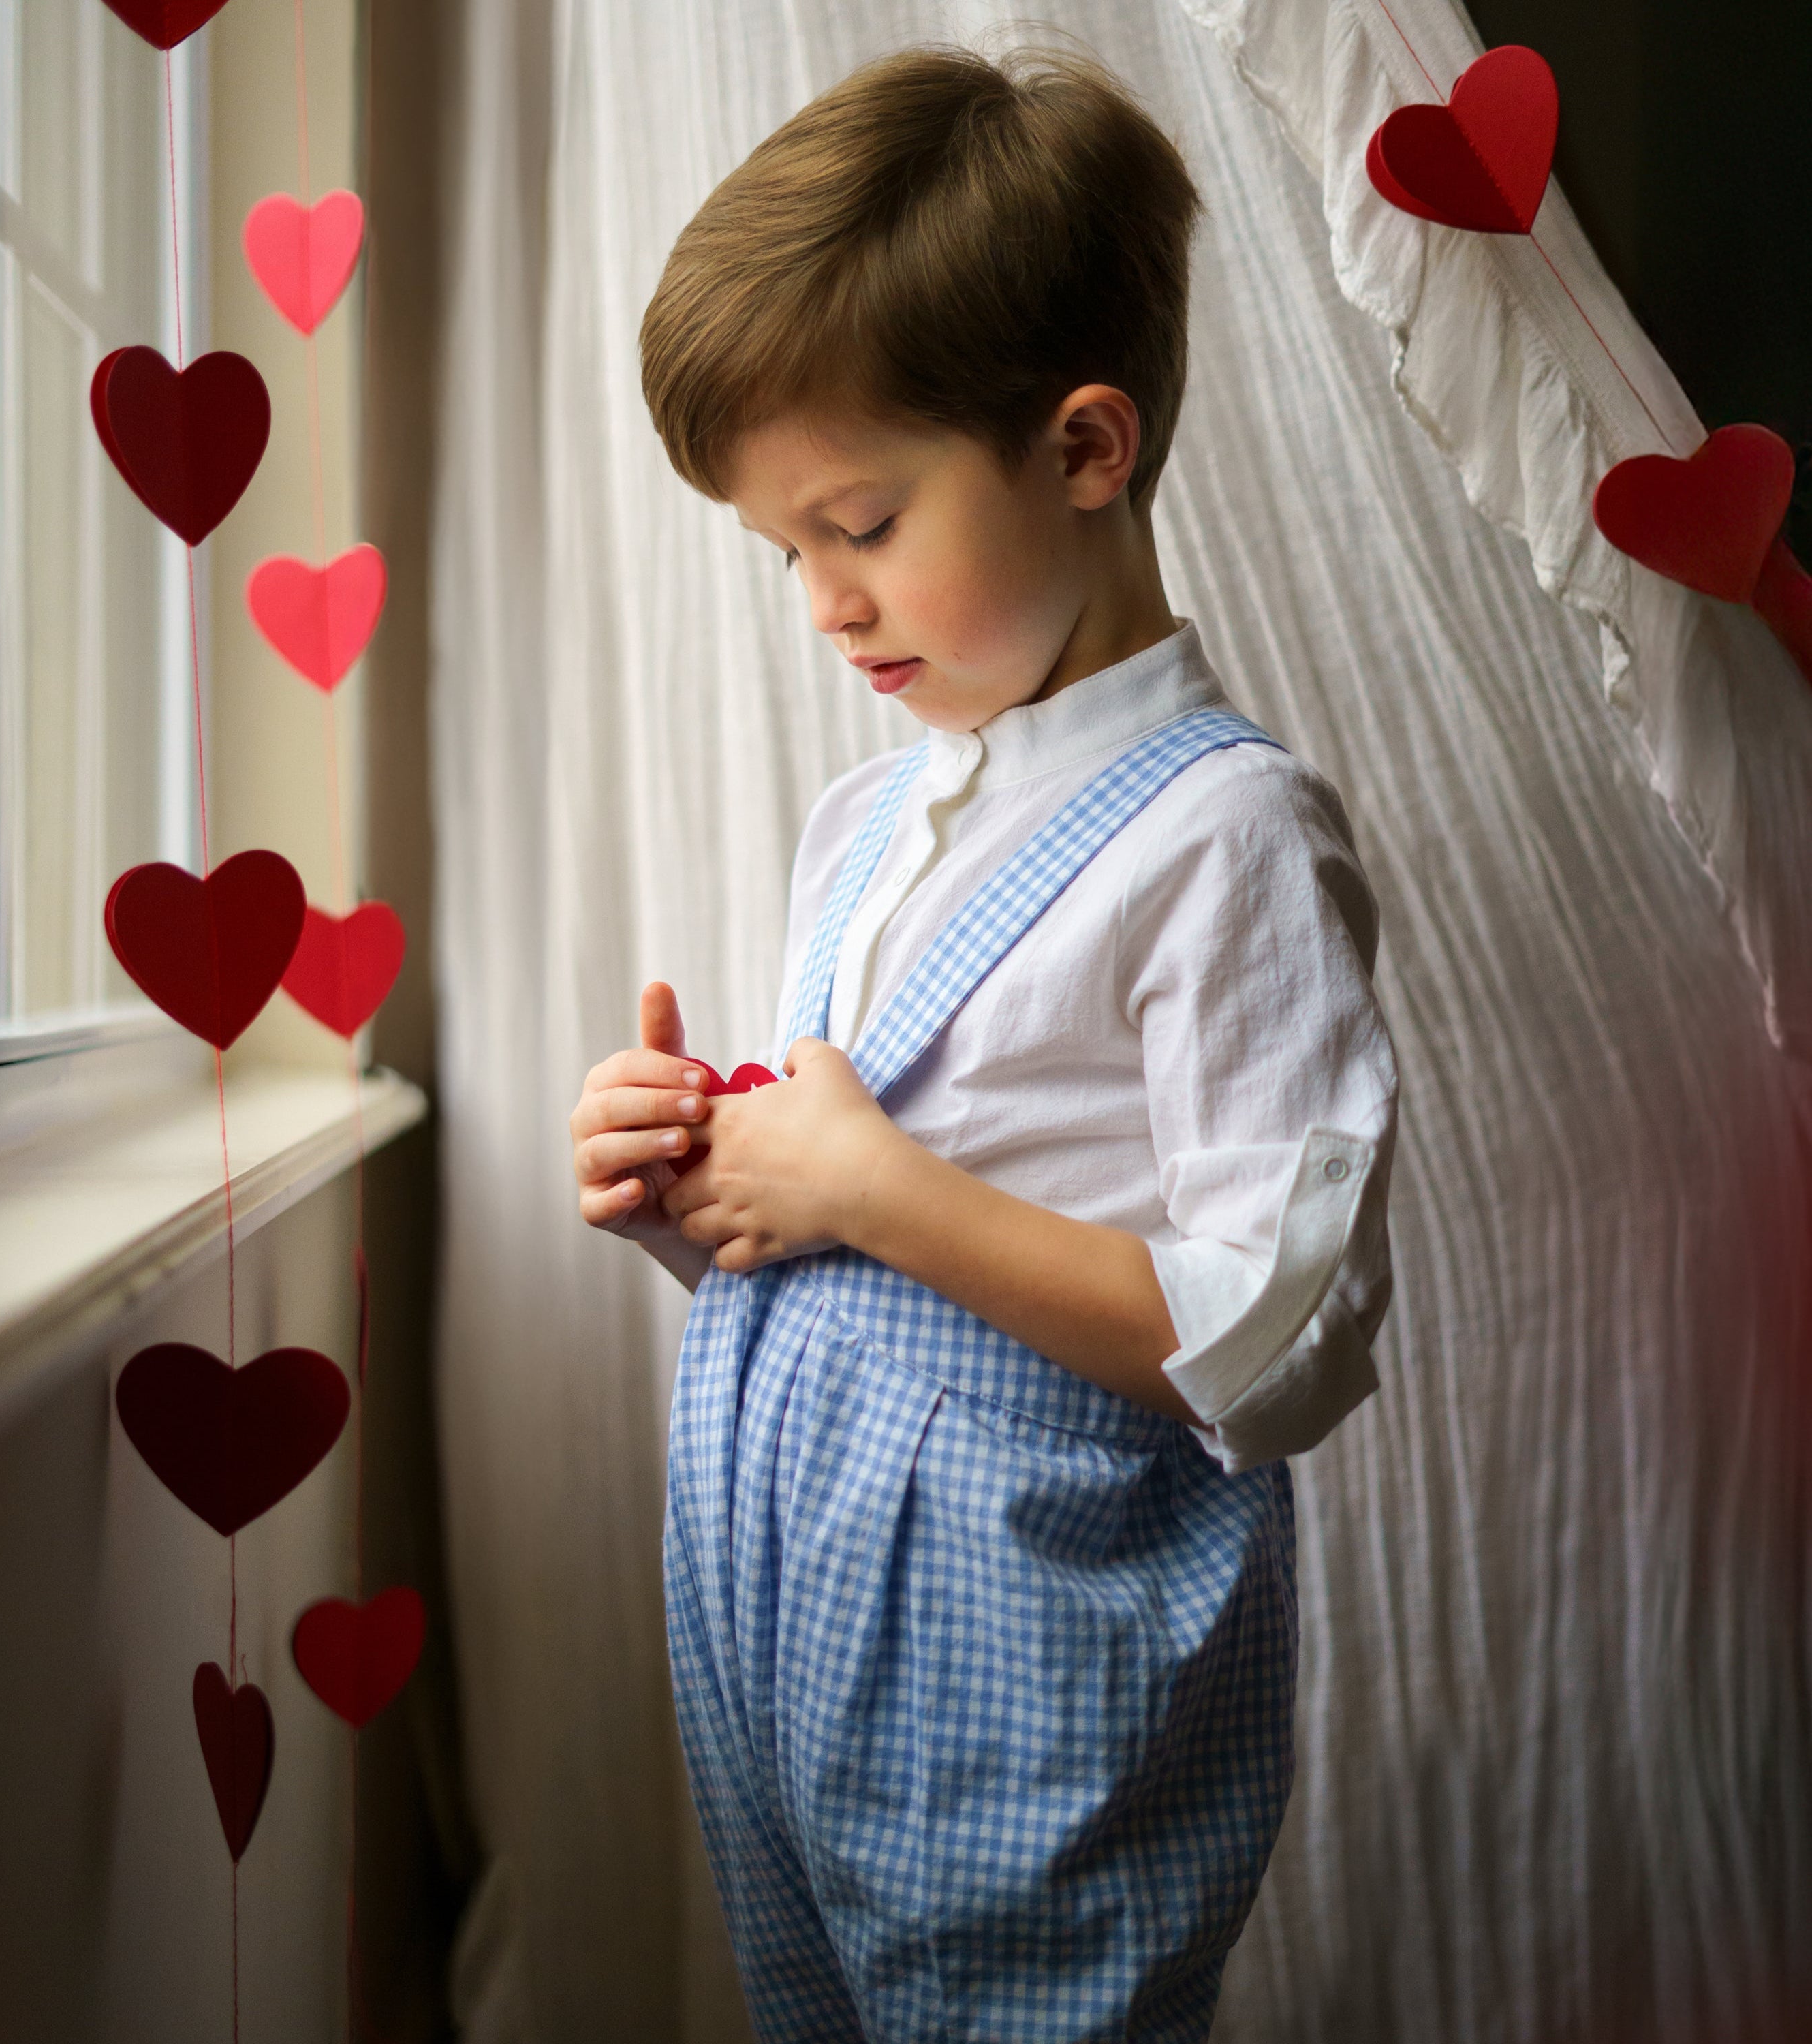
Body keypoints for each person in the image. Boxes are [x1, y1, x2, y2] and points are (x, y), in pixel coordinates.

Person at [567, 42, 1397, 2043]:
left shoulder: (1227, 837)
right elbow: (856, 1204)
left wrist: (867, 1183)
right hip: (794, 1617)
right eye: (783, 551)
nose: (823, 604)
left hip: (1033, 1649)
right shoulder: (869, 824)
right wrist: (705, 1184)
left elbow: (1284, 1339)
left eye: (854, 521)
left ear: (1086, 449)